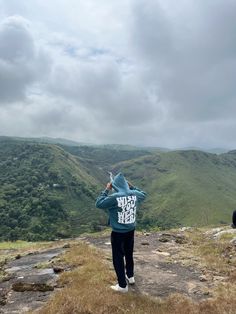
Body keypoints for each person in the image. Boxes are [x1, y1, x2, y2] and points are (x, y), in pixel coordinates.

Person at [95, 172, 146, 293]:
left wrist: (106, 190)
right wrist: (132, 187)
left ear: (115, 186)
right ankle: (130, 276)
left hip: (118, 233)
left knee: (118, 258)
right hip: (131, 230)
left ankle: (122, 286)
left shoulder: (115, 197)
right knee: (129, 253)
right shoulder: (134, 194)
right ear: (125, 184)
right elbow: (144, 194)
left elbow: (99, 204)